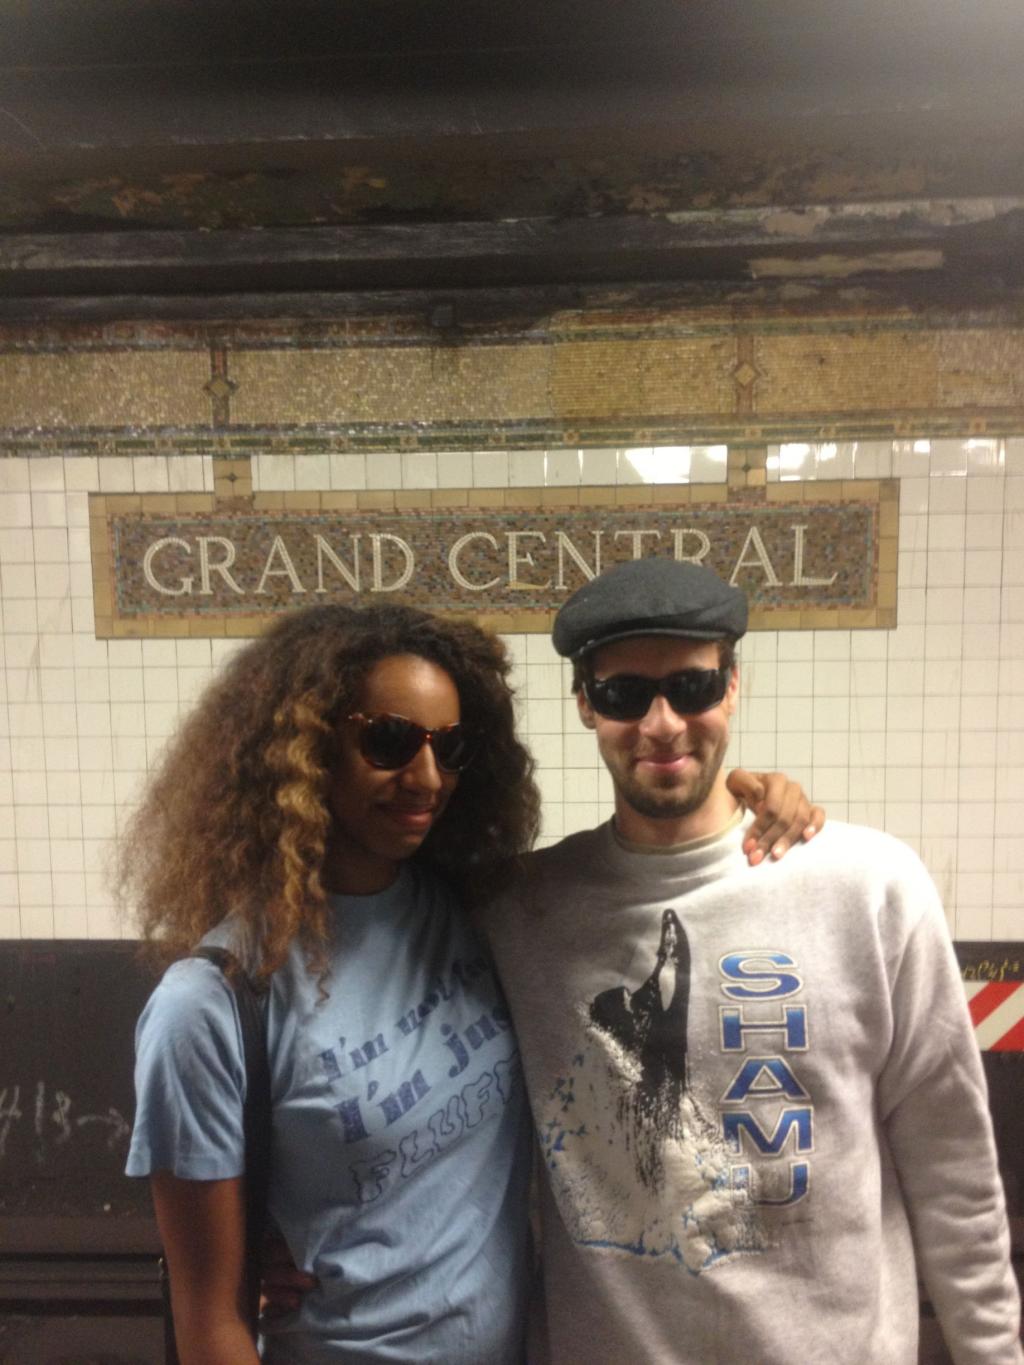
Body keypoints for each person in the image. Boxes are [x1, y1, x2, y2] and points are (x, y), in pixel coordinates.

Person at [121, 600, 820, 1364]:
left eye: (450, 748)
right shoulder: (212, 1005)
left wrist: (751, 795)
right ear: (306, 747)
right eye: (389, 741)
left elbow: (669, 837)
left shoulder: (482, 910)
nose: (427, 778)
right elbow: (210, 1325)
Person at [484, 557, 1023, 1365]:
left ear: (732, 686)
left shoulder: (869, 887)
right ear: (585, 703)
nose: (662, 723)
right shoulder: (523, 914)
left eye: (692, 687)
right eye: (625, 693)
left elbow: (955, 1172)